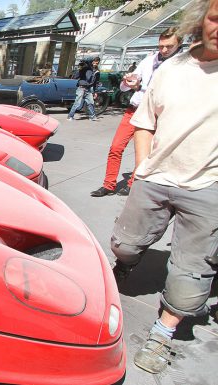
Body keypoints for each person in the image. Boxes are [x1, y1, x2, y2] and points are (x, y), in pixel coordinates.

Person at [110, 0, 218, 375]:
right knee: (124, 246)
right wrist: (141, 168)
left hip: (208, 187)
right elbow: (145, 121)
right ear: (202, 18)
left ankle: (162, 332)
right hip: (156, 178)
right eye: (216, 18)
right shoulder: (172, 69)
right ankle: (129, 262)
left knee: (190, 276)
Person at [90, 28, 183, 197]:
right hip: (134, 111)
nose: (164, 50)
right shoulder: (148, 60)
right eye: (161, 46)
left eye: (169, 46)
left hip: (156, 115)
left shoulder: (181, 65)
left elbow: (167, 92)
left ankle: (133, 183)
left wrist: (140, 87)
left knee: (145, 153)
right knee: (116, 147)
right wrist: (128, 81)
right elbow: (124, 87)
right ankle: (108, 184)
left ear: (179, 44)